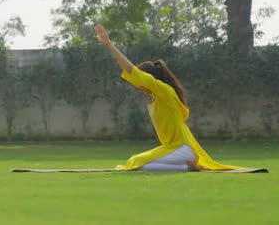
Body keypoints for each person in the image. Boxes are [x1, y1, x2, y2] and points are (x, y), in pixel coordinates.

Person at [94, 23, 241, 171]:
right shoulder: (159, 97)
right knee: (133, 162)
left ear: (151, 79)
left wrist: (110, 45)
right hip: (174, 148)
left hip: (183, 149)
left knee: (135, 163)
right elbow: (134, 75)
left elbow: (133, 72)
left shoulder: (164, 91)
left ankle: (188, 167)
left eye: (140, 82)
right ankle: (187, 167)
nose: (138, 86)